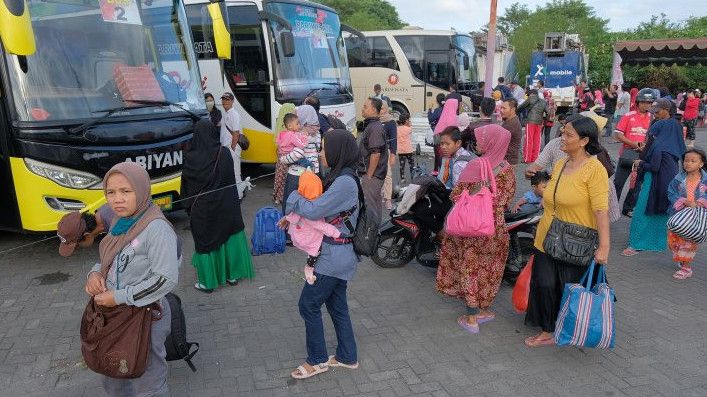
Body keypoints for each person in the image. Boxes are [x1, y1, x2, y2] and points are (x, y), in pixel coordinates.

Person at [84, 162, 179, 395]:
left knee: (148, 383)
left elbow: (165, 279)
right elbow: (110, 259)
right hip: (116, 316)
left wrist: (118, 296)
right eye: (111, 192)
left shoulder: (155, 228)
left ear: (142, 189)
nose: (117, 199)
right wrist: (95, 273)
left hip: (146, 317)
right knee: (114, 375)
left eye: (126, 191)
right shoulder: (120, 222)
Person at [524, 115, 610, 347]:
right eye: (562, 131)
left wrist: (604, 246)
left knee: (566, 287)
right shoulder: (561, 164)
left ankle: (566, 328)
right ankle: (547, 329)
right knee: (543, 283)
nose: (562, 137)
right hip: (546, 235)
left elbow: (601, 210)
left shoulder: (594, 169)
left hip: (575, 240)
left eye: (568, 134)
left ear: (584, 141)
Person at [285, 129, 362, 380]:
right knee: (337, 305)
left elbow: (313, 209)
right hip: (337, 253)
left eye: (324, 147)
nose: (320, 152)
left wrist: (294, 194)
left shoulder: (345, 182)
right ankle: (347, 356)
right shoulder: (341, 177)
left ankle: (317, 360)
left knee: (308, 304)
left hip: (333, 257)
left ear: (337, 150)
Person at [436, 124, 516, 334]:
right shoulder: (507, 169)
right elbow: (505, 201)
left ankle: (471, 318)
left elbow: (455, 195)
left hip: (470, 228)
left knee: (468, 268)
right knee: (487, 269)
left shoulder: (475, 166)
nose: (478, 142)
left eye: (482, 139)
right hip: (494, 228)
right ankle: (481, 310)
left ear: (491, 142)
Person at [182, 120, 254, 292]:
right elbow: (230, 179)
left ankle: (207, 283)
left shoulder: (190, 158)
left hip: (204, 210)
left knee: (206, 243)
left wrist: (188, 207)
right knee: (229, 238)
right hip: (227, 206)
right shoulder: (224, 153)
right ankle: (232, 275)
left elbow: (186, 187)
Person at [622, 99, 685, 257]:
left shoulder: (658, 126)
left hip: (655, 172)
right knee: (663, 206)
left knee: (643, 207)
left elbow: (650, 147)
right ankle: (659, 242)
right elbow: (681, 150)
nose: (654, 114)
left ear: (666, 110)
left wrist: (642, 161)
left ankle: (637, 243)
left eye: (657, 111)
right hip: (671, 172)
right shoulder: (677, 125)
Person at [284, 170, 342, 285]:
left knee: (314, 251)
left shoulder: (299, 200)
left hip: (299, 234)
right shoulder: (311, 209)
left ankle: (310, 267)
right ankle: (309, 269)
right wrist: (335, 232)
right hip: (308, 237)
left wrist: (287, 218)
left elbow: (292, 216)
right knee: (315, 251)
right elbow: (320, 225)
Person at [614, 88, 655, 217]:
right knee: (618, 183)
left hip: (642, 155)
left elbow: (652, 136)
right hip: (627, 154)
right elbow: (618, 134)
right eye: (643, 102)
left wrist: (645, 146)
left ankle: (628, 208)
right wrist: (634, 144)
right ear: (638, 102)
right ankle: (612, 208)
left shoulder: (652, 118)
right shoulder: (628, 116)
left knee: (636, 184)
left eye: (649, 103)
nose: (646, 105)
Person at [667, 148, 707, 280]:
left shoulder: (705, 180)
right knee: (673, 241)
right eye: (686, 160)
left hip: (696, 216)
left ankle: (686, 267)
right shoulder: (678, 178)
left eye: (693, 161)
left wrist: (701, 202)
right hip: (678, 214)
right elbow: (671, 192)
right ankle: (682, 258)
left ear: (701, 164)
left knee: (688, 242)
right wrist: (683, 201)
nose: (688, 163)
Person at [280, 105, 321, 219]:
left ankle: (290, 230)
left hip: (297, 174)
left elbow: (296, 154)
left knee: (292, 203)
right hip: (313, 172)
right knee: (309, 203)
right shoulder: (317, 131)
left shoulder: (300, 134)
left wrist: (283, 159)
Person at [358, 97, 388, 225]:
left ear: (374, 110)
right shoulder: (371, 125)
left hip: (373, 175)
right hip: (372, 175)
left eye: (365, 106)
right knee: (373, 205)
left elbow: (376, 154)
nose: (362, 109)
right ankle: (374, 235)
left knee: (371, 208)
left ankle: (372, 236)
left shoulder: (375, 128)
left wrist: (369, 176)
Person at [220, 92, 244, 198]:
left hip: (232, 147)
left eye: (227, 99)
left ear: (232, 101)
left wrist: (233, 147)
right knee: (230, 171)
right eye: (223, 99)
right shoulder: (226, 114)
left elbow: (236, 133)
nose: (225, 101)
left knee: (235, 171)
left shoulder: (234, 114)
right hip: (227, 147)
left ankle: (239, 195)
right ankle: (234, 194)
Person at [273, 103, 298, 205]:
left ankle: (277, 196)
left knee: (279, 176)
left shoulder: (280, 126)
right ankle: (284, 197)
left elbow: (278, 144)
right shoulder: (292, 129)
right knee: (287, 177)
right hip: (290, 158)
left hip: (281, 156)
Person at [518, 89, 548, 163]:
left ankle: (527, 159)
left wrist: (517, 112)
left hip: (530, 122)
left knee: (529, 140)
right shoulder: (544, 102)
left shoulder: (530, 98)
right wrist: (545, 120)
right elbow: (549, 112)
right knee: (537, 140)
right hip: (540, 123)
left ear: (531, 94)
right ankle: (535, 158)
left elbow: (521, 107)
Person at [433, 98, 460, 172]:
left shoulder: (443, 116)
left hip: (438, 139)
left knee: (441, 163)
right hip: (448, 147)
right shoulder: (453, 118)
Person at [380, 101, 397, 210]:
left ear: (386, 109)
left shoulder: (390, 122)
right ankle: (379, 193)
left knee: (387, 175)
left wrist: (393, 154)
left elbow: (393, 140)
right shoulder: (373, 120)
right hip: (373, 152)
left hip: (385, 151)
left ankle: (388, 199)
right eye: (378, 108)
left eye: (382, 108)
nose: (380, 110)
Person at [500, 98, 522, 165]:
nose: (501, 110)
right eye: (501, 108)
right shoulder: (511, 120)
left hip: (507, 162)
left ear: (513, 109)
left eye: (504, 108)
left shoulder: (511, 124)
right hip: (508, 160)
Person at [396, 113, 414, 185]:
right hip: (408, 150)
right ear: (406, 121)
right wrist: (409, 123)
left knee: (402, 165)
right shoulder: (409, 129)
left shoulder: (397, 129)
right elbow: (410, 126)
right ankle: (413, 177)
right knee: (411, 164)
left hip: (401, 150)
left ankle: (402, 178)